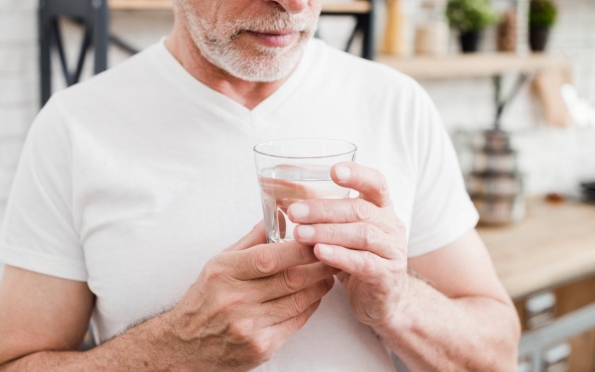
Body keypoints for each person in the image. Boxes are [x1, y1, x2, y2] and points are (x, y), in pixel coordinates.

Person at [0, 0, 520, 370]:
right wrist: (175, 350)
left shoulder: (395, 103)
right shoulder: (75, 127)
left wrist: (399, 303)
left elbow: (496, 356)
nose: (296, 5)